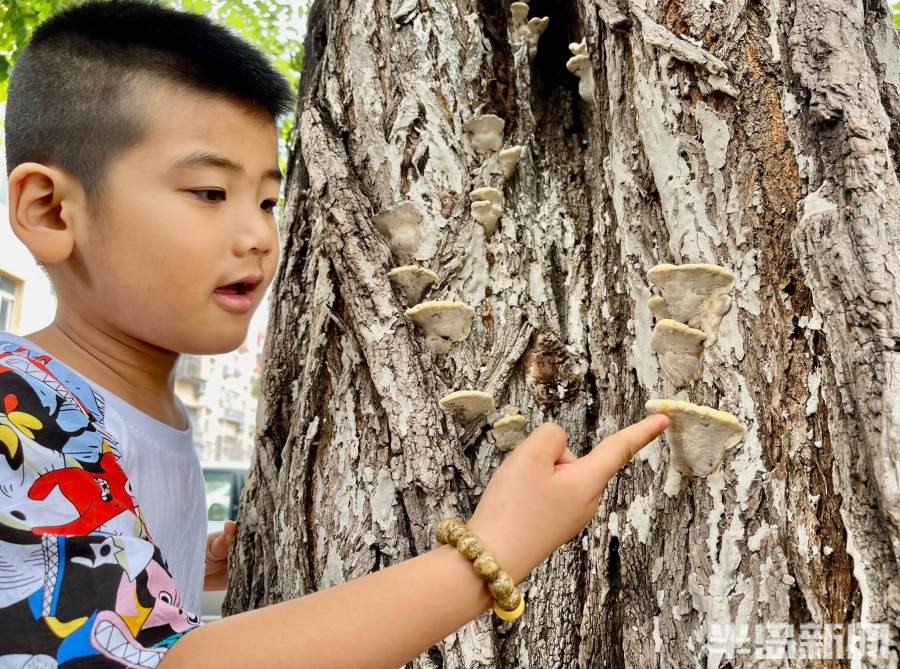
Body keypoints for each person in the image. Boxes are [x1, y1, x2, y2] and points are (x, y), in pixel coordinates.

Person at [0, 0, 671, 667]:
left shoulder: (128, 410)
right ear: (52, 211)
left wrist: (160, 563)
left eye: (268, 200)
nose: (259, 235)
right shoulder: (18, 410)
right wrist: (492, 550)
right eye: (209, 192)